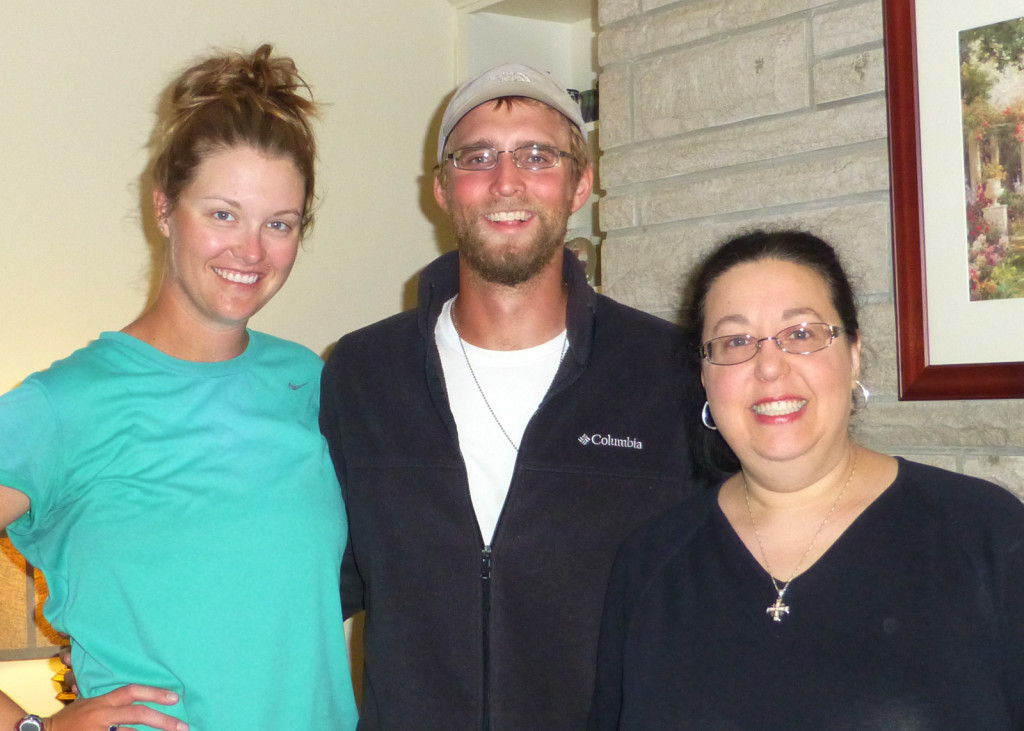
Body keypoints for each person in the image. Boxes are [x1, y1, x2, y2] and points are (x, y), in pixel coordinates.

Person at [319, 63, 703, 729]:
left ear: (580, 183)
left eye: (536, 155)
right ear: (442, 188)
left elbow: (725, 581)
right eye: (478, 157)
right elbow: (308, 584)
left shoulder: (665, 370)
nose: (506, 181)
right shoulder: (363, 372)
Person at [0, 45, 358, 731]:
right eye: (223, 214)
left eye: (278, 223)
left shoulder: (312, 384)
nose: (250, 251)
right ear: (164, 208)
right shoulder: (66, 403)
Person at [588, 229, 1024, 730]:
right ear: (704, 376)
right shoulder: (649, 563)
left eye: (801, 334)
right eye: (735, 341)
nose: (769, 367)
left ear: (854, 353)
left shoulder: (985, 534)